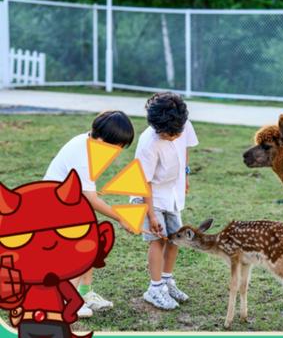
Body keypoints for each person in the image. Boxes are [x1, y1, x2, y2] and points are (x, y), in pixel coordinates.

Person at [43, 110, 136, 318]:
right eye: (117, 146)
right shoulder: (84, 154)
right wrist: (122, 217)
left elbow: (87, 193)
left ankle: (85, 293)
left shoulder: (89, 143)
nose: (118, 151)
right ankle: (68, 299)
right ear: (102, 139)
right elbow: (92, 200)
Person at [133, 92, 198, 310]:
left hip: (172, 191)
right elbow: (144, 182)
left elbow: (186, 148)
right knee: (158, 239)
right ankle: (154, 288)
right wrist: (151, 216)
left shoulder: (182, 123)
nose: (174, 137)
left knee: (175, 238)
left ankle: (167, 280)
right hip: (149, 196)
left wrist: (185, 175)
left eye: (176, 132)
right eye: (169, 134)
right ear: (157, 128)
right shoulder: (148, 144)